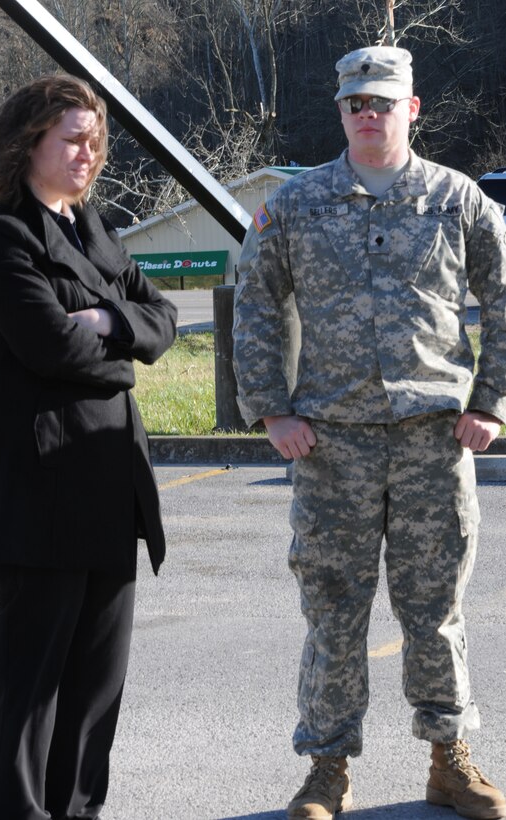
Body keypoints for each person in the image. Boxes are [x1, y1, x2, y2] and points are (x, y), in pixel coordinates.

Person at [233, 45, 506, 820]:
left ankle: (448, 760)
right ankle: (325, 770)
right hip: (330, 443)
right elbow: (255, 301)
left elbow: (505, 298)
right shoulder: (295, 203)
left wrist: (488, 399)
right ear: (341, 110)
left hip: (431, 439)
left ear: (411, 109)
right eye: (355, 102)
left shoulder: (457, 201)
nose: (367, 113)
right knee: (331, 609)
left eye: (382, 102)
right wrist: (270, 407)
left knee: (435, 611)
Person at [0, 75, 177, 820]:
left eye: (96, 141)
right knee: (31, 691)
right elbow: (51, 347)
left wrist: (108, 324)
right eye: (72, 139)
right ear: (30, 143)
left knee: (92, 693)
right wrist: (121, 341)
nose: (88, 154)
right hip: (35, 490)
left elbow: (163, 319)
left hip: (110, 487)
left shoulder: (96, 231)